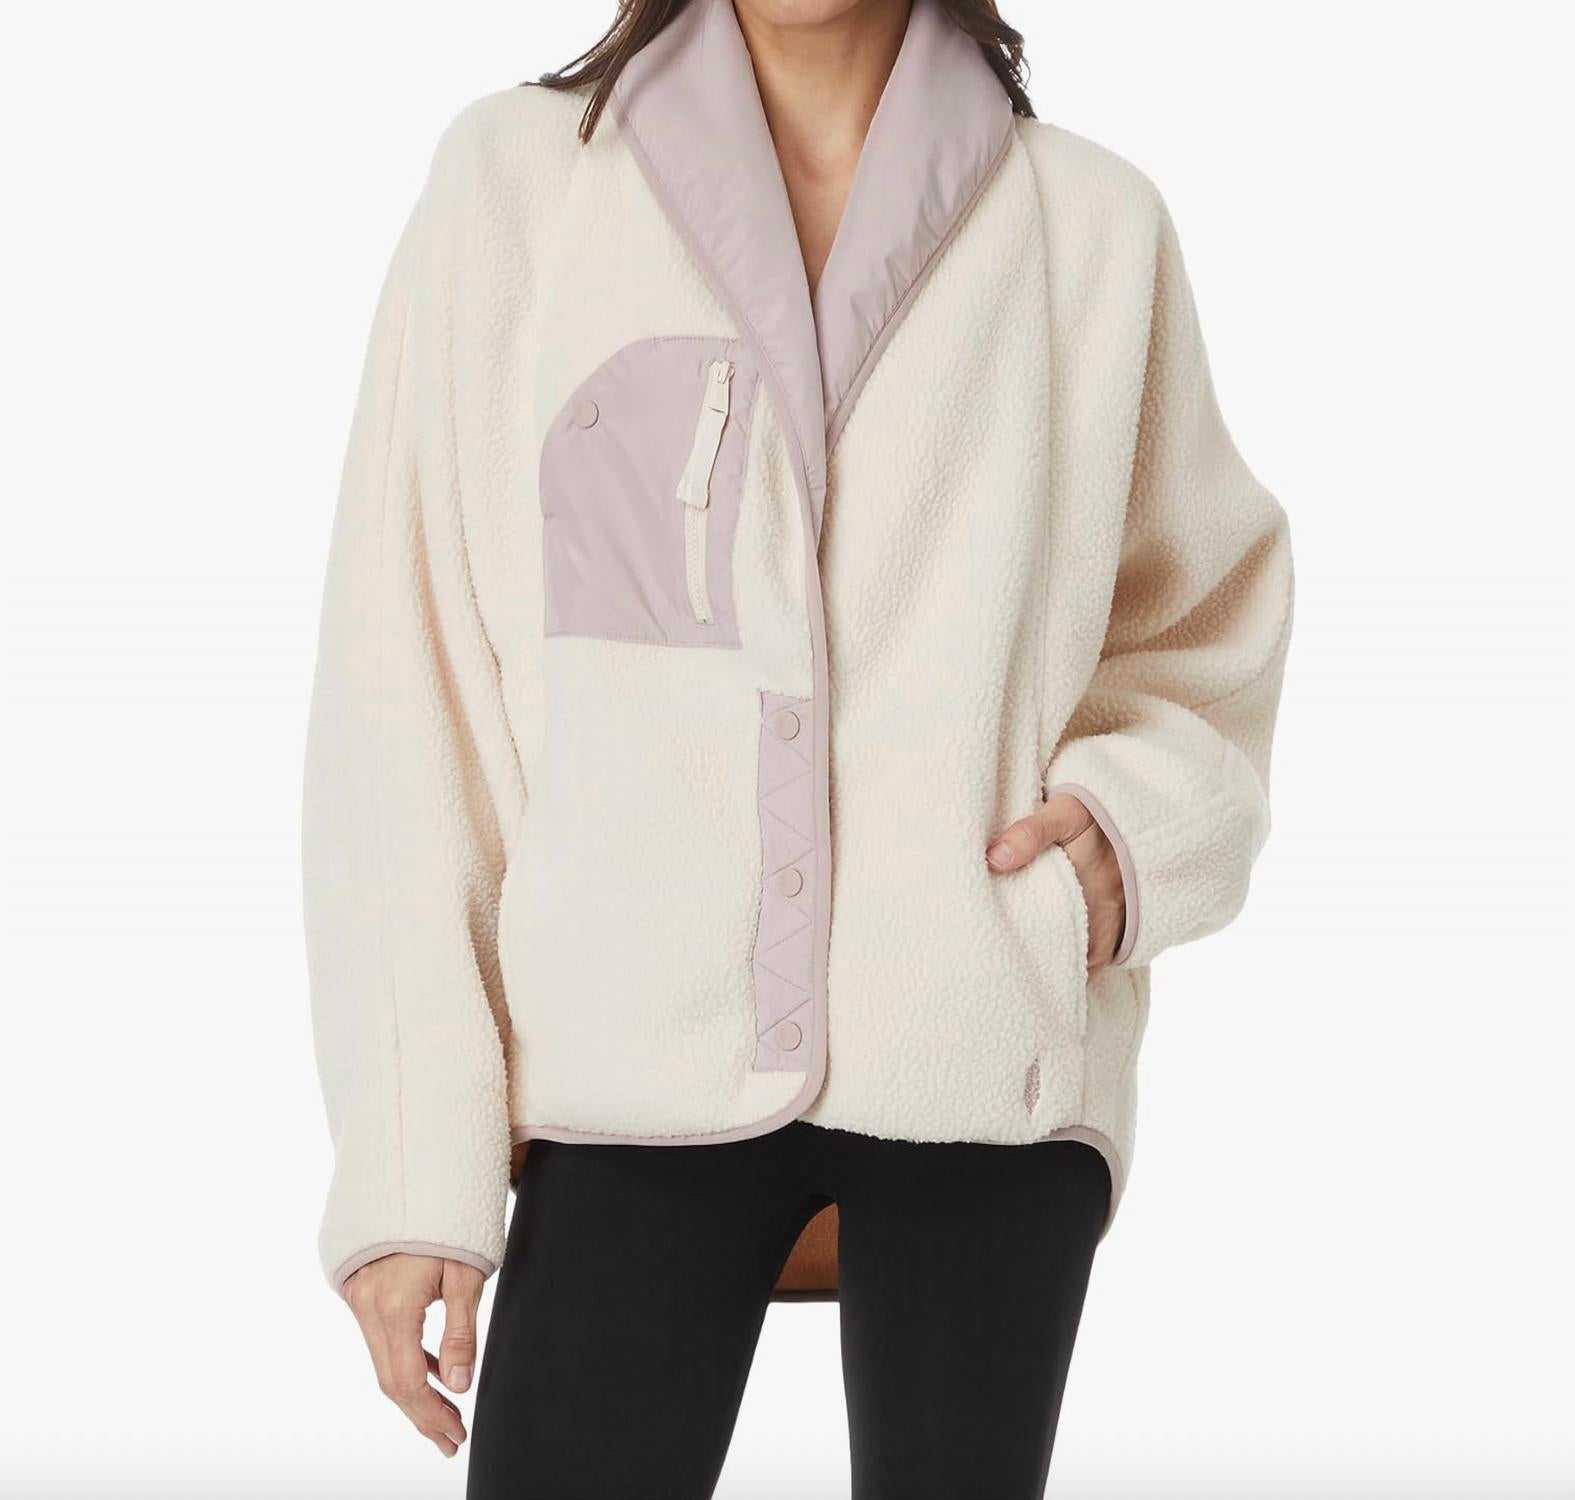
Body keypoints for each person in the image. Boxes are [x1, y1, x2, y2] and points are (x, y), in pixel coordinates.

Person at [303, 1, 1293, 1494]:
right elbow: (408, 690)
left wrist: (1127, 831)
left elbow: (1203, 623)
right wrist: (407, 1164)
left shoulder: (1090, 228)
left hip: (980, 1054)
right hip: (623, 1058)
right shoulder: (520, 188)